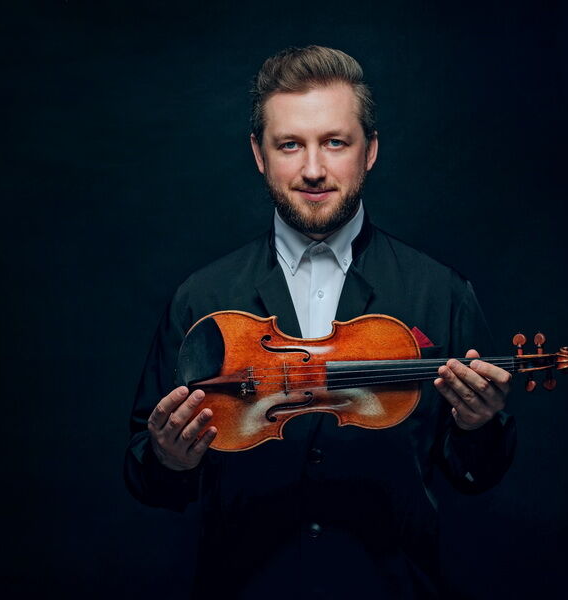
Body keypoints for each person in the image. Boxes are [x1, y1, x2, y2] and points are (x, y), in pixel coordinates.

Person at [124, 45, 517, 599]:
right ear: (259, 154)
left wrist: (477, 426)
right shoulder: (201, 298)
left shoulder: (441, 291)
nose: (313, 170)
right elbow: (148, 476)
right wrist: (168, 458)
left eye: (335, 142)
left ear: (369, 150)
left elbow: (474, 476)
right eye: (290, 145)